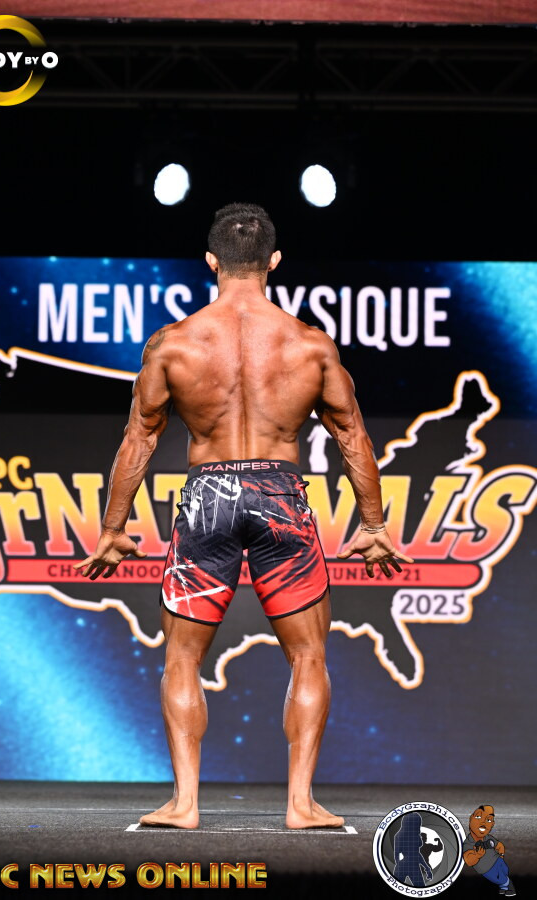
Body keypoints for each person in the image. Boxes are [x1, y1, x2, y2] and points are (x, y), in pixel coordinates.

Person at [74, 202, 413, 830]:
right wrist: (373, 524)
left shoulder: (173, 344)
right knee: (308, 656)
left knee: (182, 658)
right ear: (274, 261)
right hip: (281, 494)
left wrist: (114, 529)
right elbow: (353, 437)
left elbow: (138, 440)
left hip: (208, 495)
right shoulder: (310, 345)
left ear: (211, 261)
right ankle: (301, 804)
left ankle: (184, 804)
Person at [463, 805, 515, 897]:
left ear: (492, 824)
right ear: (471, 819)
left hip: (497, 860)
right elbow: (468, 861)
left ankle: (504, 887)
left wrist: (501, 855)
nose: (483, 822)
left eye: (489, 820)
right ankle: (508, 884)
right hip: (486, 868)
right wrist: (477, 855)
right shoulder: (468, 843)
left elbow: (499, 845)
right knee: (499, 879)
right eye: (478, 817)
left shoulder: (488, 838)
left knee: (504, 871)